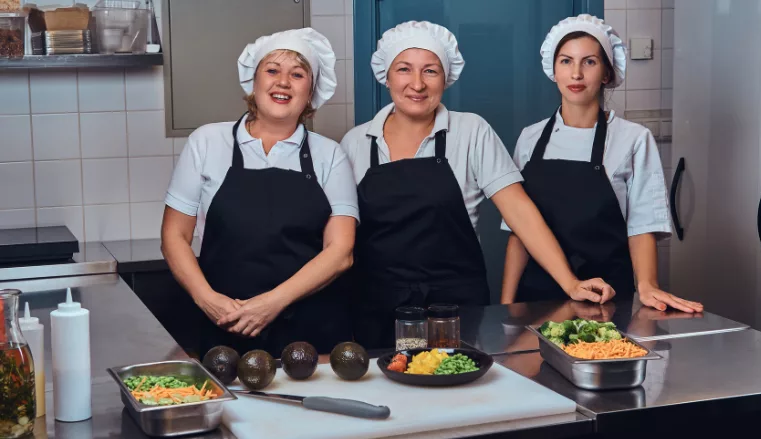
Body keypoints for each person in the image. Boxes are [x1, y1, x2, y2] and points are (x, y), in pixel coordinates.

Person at [340, 21, 613, 349]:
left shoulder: (471, 132)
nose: (417, 84)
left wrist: (570, 282)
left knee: (459, 392)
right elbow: (341, 240)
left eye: (430, 71)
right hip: (376, 310)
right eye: (404, 69)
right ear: (386, 75)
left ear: (446, 79)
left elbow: (519, 209)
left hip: (455, 312)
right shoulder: (355, 143)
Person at [161, 28, 359, 357]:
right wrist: (208, 300)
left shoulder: (330, 155)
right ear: (254, 82)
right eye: (272, 70)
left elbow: (341, 251)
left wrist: (271, 304)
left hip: (309, 334)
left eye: (297, 74)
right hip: (226, 323)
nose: (283, 82)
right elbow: (173, 235)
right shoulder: (208, 142)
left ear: (310, 92)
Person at [500, 15, 703, 313]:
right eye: (566, 62)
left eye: (590, 62)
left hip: (607, 299)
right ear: (553, 70)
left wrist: (647, 285)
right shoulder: (530, 139)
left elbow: (642, 224)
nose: (576, 74)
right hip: (536, 299)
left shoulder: (633, 139)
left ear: (607, 74)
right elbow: (520, 231)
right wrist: (506, 305)